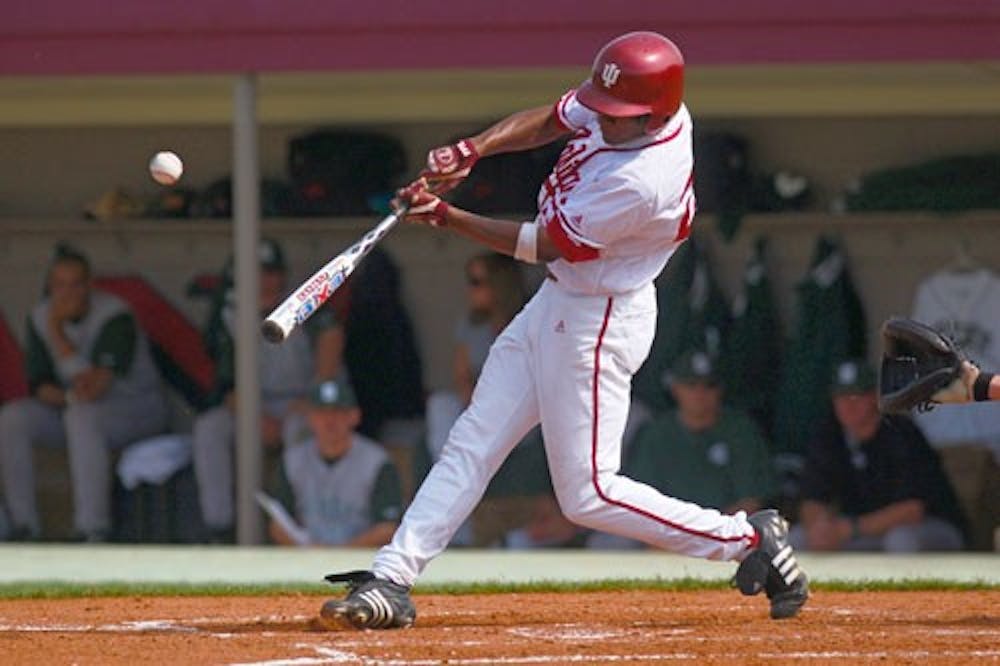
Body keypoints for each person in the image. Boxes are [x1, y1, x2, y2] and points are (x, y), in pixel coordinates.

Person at [320, 31, 808, 629]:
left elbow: (542, 244)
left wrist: (446, 217)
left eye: (619, 116)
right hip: (560, 302)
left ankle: (746, 539)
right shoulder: (632, 103)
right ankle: (393, 577)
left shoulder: (643, 179)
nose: (602, 120)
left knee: (590, 495)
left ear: (653, 115)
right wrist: (472, 150)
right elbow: (555, 117)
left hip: (599, 319)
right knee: (473, 439)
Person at [0, 245, 168, 541]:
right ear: (50, 287)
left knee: (82, 416)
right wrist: (67, 398)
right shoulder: (40, 315)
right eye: (60, 285)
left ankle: (91, 528)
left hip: (137, 409)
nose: (68, 293)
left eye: (76, 284)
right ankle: (23, 526)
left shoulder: (115, 315)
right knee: (14, 417)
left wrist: (57, 331)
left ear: (90, 285)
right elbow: (40, 386)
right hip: (78, 409)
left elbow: (92, 388)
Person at [192, 238, 344, 542]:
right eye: (257, 272)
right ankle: (217, 527)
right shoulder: (228, 312)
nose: (265, 280)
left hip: (302, 402)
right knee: (210, 428)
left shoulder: (300, 302)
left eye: (271, 272)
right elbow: (225, 385)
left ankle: (298, 526)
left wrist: (308, 402)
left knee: (299, 429)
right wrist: (256, 417)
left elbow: (331, 339)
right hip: (251, 405)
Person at [792, 359, 966, 552]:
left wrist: (852, 528)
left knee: (901, 539)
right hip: (860, 532)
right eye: (840, 397)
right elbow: (812, 498)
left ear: (875, 397)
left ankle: (912, 584)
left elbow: (912, 511)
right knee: (798, 537)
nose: (847, 405)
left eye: (856, 396)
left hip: (929, 528)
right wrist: (820, 526)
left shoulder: (901, 433)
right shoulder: (829, 435)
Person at [267, 379, 403, 547]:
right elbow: (278, 525)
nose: (330, 420)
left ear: (355, 416)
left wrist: (341, 553)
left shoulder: (377, 462)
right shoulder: (292, 460)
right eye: (322, 413)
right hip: (307, 557)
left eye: (338, 412)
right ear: (310, 417)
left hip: (361, 561)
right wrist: (311, 551)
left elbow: (388, 527)